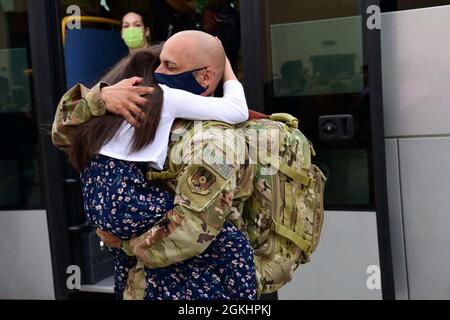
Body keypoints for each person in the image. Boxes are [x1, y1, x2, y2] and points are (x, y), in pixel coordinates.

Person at [52, 31, 257, 300]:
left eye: (169, 66)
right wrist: (226, 64)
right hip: (126, 199)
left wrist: (99, 98)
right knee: (234, 246)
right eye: (161, 64)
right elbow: (237, 110)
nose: (161, 72)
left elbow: (61, 133)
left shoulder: (117, 101)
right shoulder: (170, 99)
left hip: (100, 201)